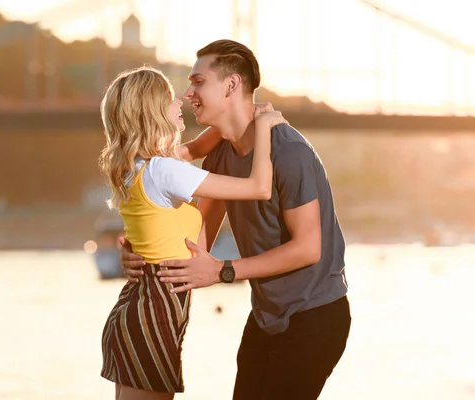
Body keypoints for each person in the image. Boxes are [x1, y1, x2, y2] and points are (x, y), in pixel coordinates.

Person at [120, 40, 351, 400]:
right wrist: (141, 254)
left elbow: (308, 248)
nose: (188, 93)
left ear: (231, 85)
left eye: (198, 82)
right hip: (265, 318)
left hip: (315, 317)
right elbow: (195, 243)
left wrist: (222, 271)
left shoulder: (289, 153)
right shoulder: (222, 157)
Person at [98, 65, 287, 400]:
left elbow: (198, 148)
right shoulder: (165, 171)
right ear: (154, 111)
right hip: (153, 315)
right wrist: (267, 129)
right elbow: (259, 187)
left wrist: (236, 115)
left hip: (137, 308)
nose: (180, 104)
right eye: (171, 101)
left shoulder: (139, 167)